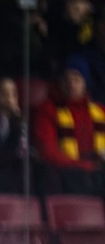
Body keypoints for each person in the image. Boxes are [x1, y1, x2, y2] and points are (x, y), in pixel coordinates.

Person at [35, 64, 105, 196]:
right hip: (66, 175)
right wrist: (83, 165)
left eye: (77, 80)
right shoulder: (48, 110)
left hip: (98, 174)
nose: (71, 85)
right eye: (67, 80)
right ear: (60, 83)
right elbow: (48, 151)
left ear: (85, 83)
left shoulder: (100, 111)